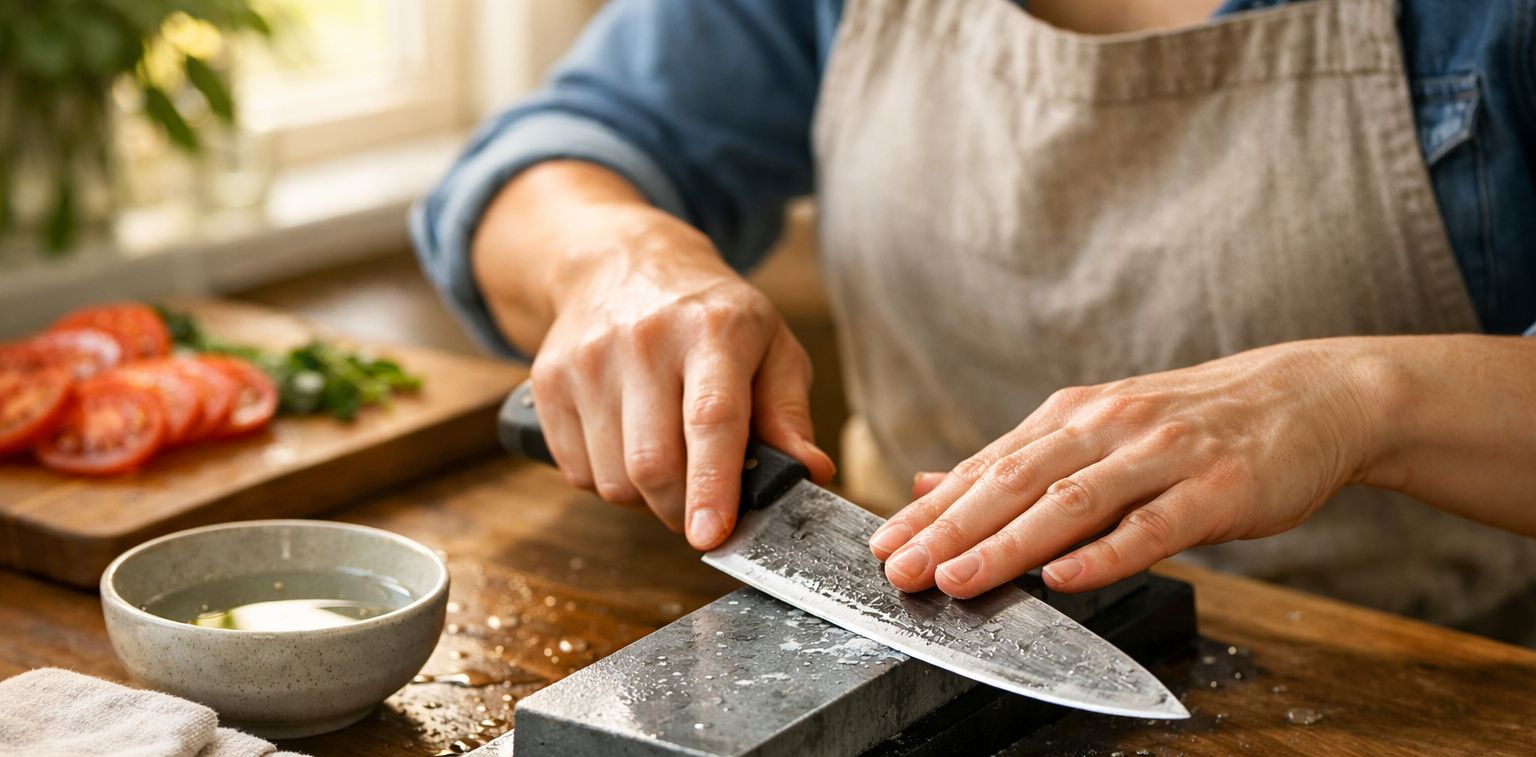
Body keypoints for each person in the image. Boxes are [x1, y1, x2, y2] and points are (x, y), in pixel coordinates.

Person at [413, 0, 1536, 643]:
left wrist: (1356, 400)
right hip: (917, 628)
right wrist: (615, 256)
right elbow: (538, 164)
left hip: (1435, 697)